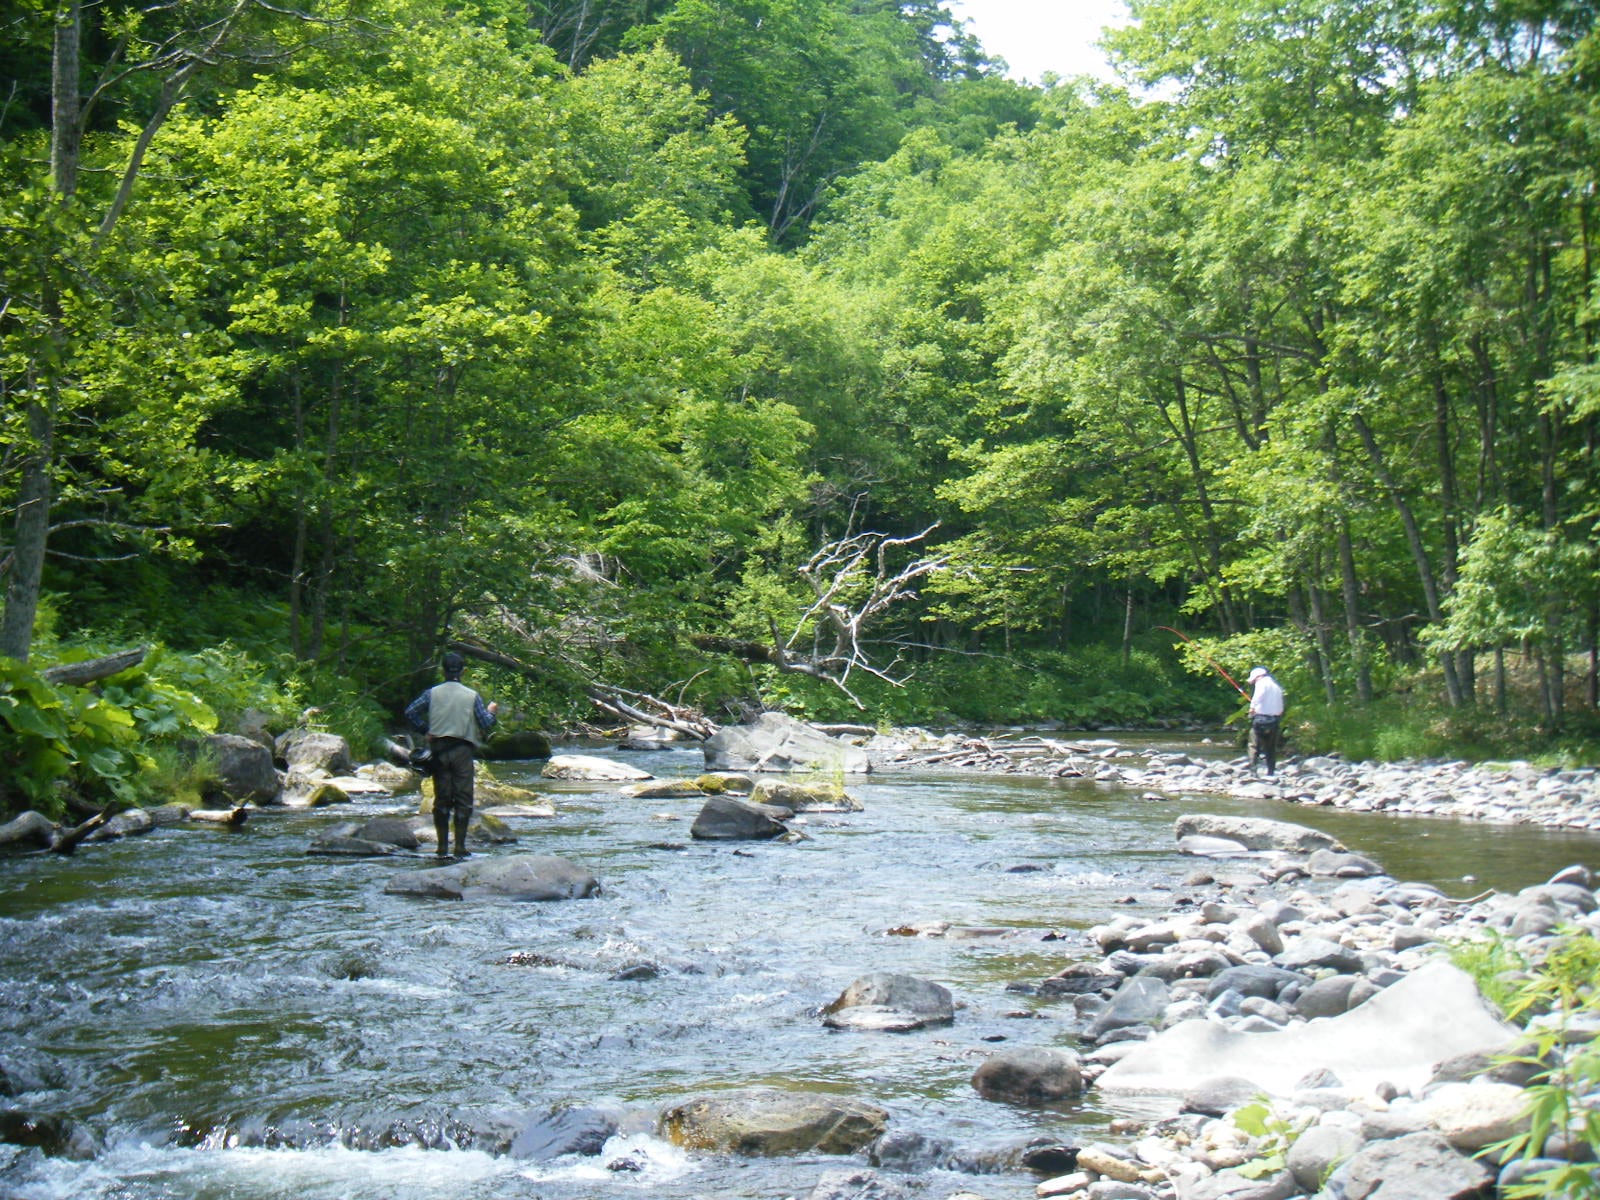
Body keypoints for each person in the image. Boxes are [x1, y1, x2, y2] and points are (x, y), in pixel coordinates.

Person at [405, 651, 497, 858]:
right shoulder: (471, 696)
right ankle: (460, 847)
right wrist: (492, 711)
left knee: (442, 799)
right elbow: (485, 723)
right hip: (463, 750)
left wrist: (424, 730)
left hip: (438, 751)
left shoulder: (431, 693)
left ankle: (441, 847)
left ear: (443, 671)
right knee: (463, 799)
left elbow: (410, 712)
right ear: (463, 672)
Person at [1246, 665, 1285, 776]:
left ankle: (1253, 771)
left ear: (1257, 677)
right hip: (1274, 720)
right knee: (1271, 747)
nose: (1254, 683)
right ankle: (1271, 772)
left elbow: (1257, 697)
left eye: (1253, 680)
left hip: (1261, 719)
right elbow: (1281, 708)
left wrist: (1252, 709)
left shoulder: (1261, 684)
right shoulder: (1276, 686)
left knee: (1253, 745)